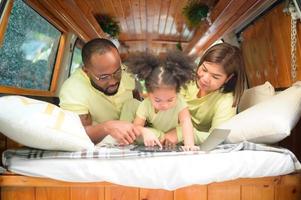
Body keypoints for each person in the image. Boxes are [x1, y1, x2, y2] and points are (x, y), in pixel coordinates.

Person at [160, 42, 247, 146]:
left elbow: (216, 137)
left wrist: (181, 133)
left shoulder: (226, 100)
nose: (205, 79)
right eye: (204, 69)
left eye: (215, 77)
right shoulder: (186, 79)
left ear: (228, 78)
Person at [59, 38, 140, 145]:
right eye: (104, 77)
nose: (113, 81)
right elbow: (77, 134)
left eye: (117, 72)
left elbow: (136, 95)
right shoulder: (73, 90)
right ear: (86, 71)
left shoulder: (126, 72)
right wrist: (107, 127)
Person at [126, 51, 199, 150]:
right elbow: (136, 127)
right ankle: (162, 139)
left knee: (188, 131)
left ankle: (166, 139)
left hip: (176, 134)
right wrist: (144, 132)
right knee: (142, 134)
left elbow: (186, 122)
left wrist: (189, 145)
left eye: (170, 100)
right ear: (148, 94)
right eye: (157, 100)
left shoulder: (180, 101)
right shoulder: (145, 105)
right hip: (156, 133)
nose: (164, 105)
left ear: (177, 93)